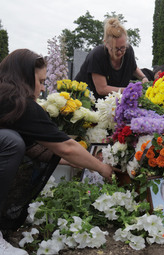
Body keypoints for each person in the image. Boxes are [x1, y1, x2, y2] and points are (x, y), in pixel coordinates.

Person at [0, 49, 115, 254]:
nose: (43, 88)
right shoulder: (19, 103)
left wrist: (68, 161)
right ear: (25, 77)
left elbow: (34, 148)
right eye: (41, 81)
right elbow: (66, 147)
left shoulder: (6, 97)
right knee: (11, 142)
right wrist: (103, 168)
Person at [75, 17, 148, 99]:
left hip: (110, 101)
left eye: (123, 47)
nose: (120, 52)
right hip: (84, 99)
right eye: (116, 48)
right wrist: (130, 90)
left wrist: (143, 78)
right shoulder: (97, 55)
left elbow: (133, 67)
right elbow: (102, 89)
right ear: (106, 43)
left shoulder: (128, 51)